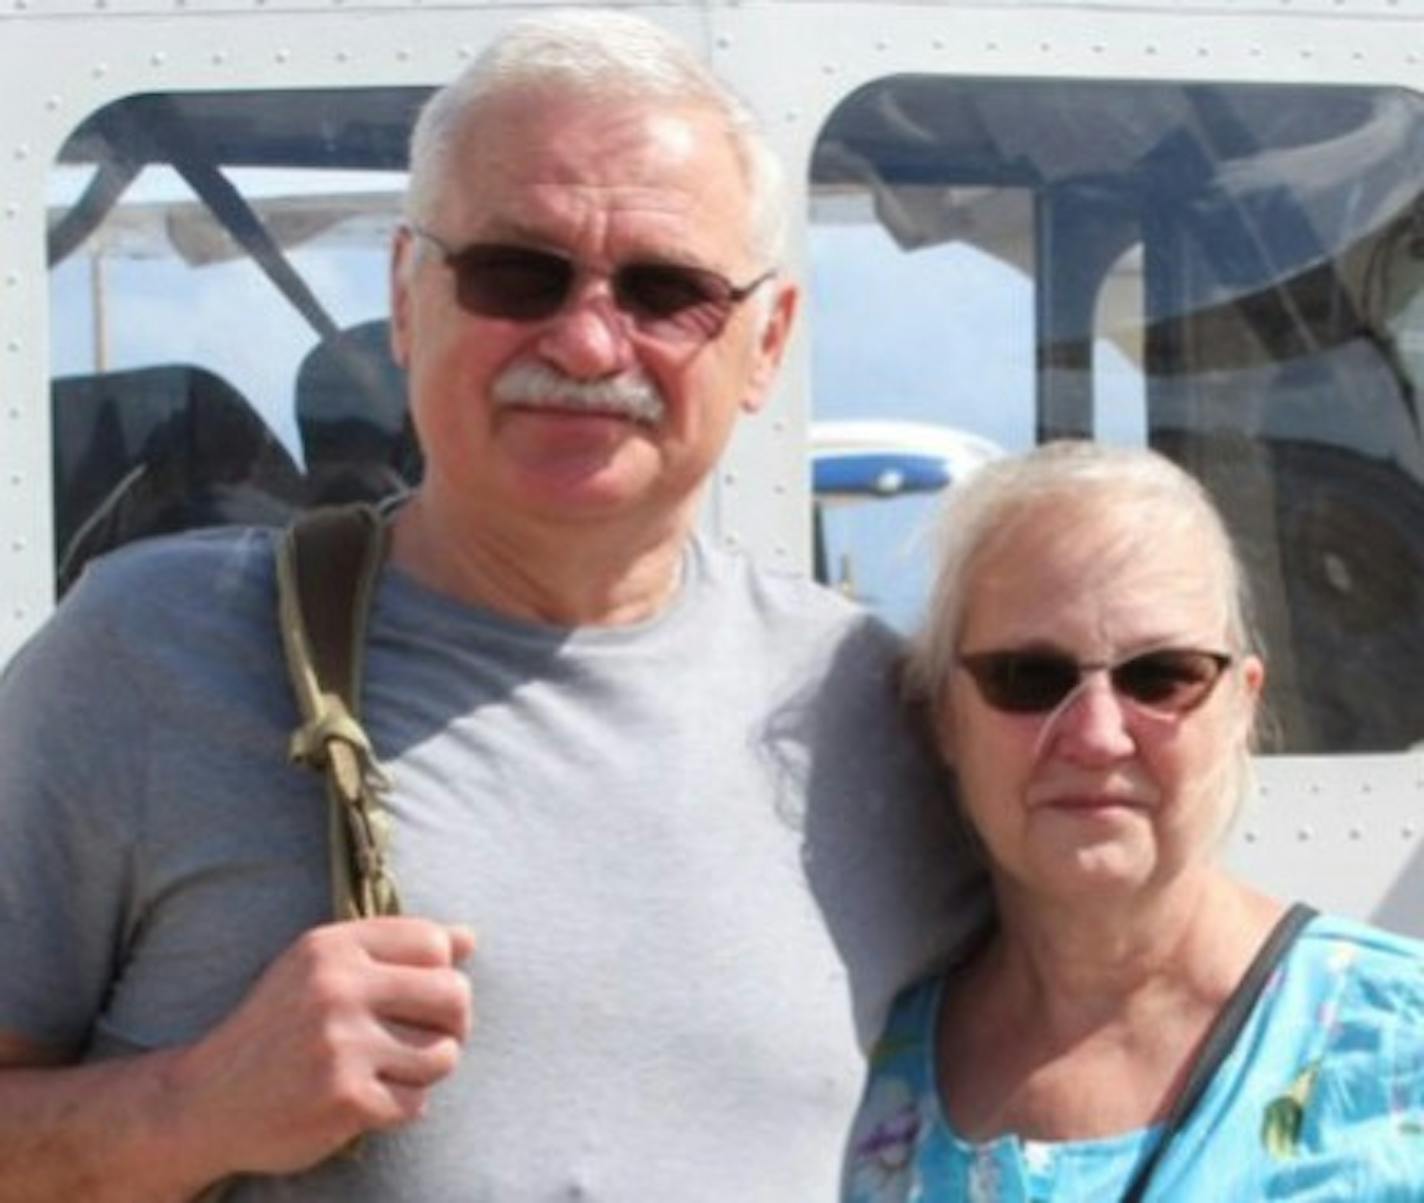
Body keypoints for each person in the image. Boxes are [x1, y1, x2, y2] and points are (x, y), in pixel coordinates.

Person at [0, 12, 983, 1202]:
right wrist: (192, 1106)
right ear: (411, 297)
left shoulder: (872, 707)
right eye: (517, 272)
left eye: (665, 290)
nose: (582, 340)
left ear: (765, 341)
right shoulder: (145, 652)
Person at [842, 440, 1424, 1202]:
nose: (1097, 735)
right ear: (944, 717)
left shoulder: (1400, 1046)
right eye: (1028, 677)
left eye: (1162, 675)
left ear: (1241, 705)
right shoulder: (848, 1070)